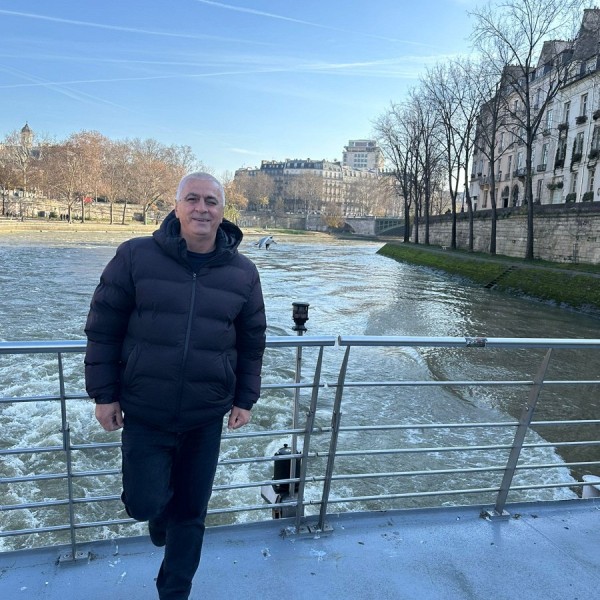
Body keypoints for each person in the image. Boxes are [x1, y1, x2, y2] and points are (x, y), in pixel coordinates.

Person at [84, 172, 267, 600]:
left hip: (205, 415)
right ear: (177, 206)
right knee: (144, 504)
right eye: (192, 199)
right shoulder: (135, 256)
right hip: (146, 411)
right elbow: (103, 328)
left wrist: (245, 399)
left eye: (211, 201)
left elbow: (252, 341)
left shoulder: (243, 272)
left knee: (191, 513)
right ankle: (157, 516)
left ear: (223, 211)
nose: (202, 208)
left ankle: (174, 593)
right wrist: (104, 395)